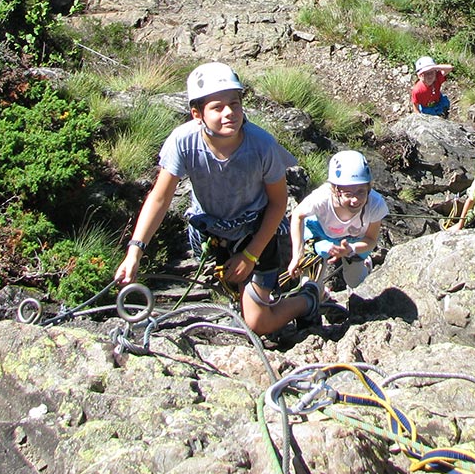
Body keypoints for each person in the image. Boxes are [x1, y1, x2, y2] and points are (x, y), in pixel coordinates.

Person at [113, 61, 320, 336]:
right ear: (197, 114)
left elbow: (278, 204)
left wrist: (250, 254)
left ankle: (308, 299)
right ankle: (242, 294)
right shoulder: (183, 142)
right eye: (217, 107)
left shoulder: (262, 145)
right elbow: (159, 199)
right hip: (212, 230)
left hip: (255, 231)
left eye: (234, 104)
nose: (229, 113)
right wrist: (134, 252)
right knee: (231, 289)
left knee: (259, 324)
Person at [288, 149, 389, 289]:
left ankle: (364, 264)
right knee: (309, 287)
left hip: (353, 242)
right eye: (348, 194)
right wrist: (297, 255)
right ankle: (320, 295)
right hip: (320, 235)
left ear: (369, 188)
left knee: (357, 283)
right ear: (335, 190)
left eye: (361, 191)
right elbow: (297, 215)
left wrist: (350, 249)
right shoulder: (321, 198)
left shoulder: (375, 204)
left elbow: (371, 240)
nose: (355, 200)